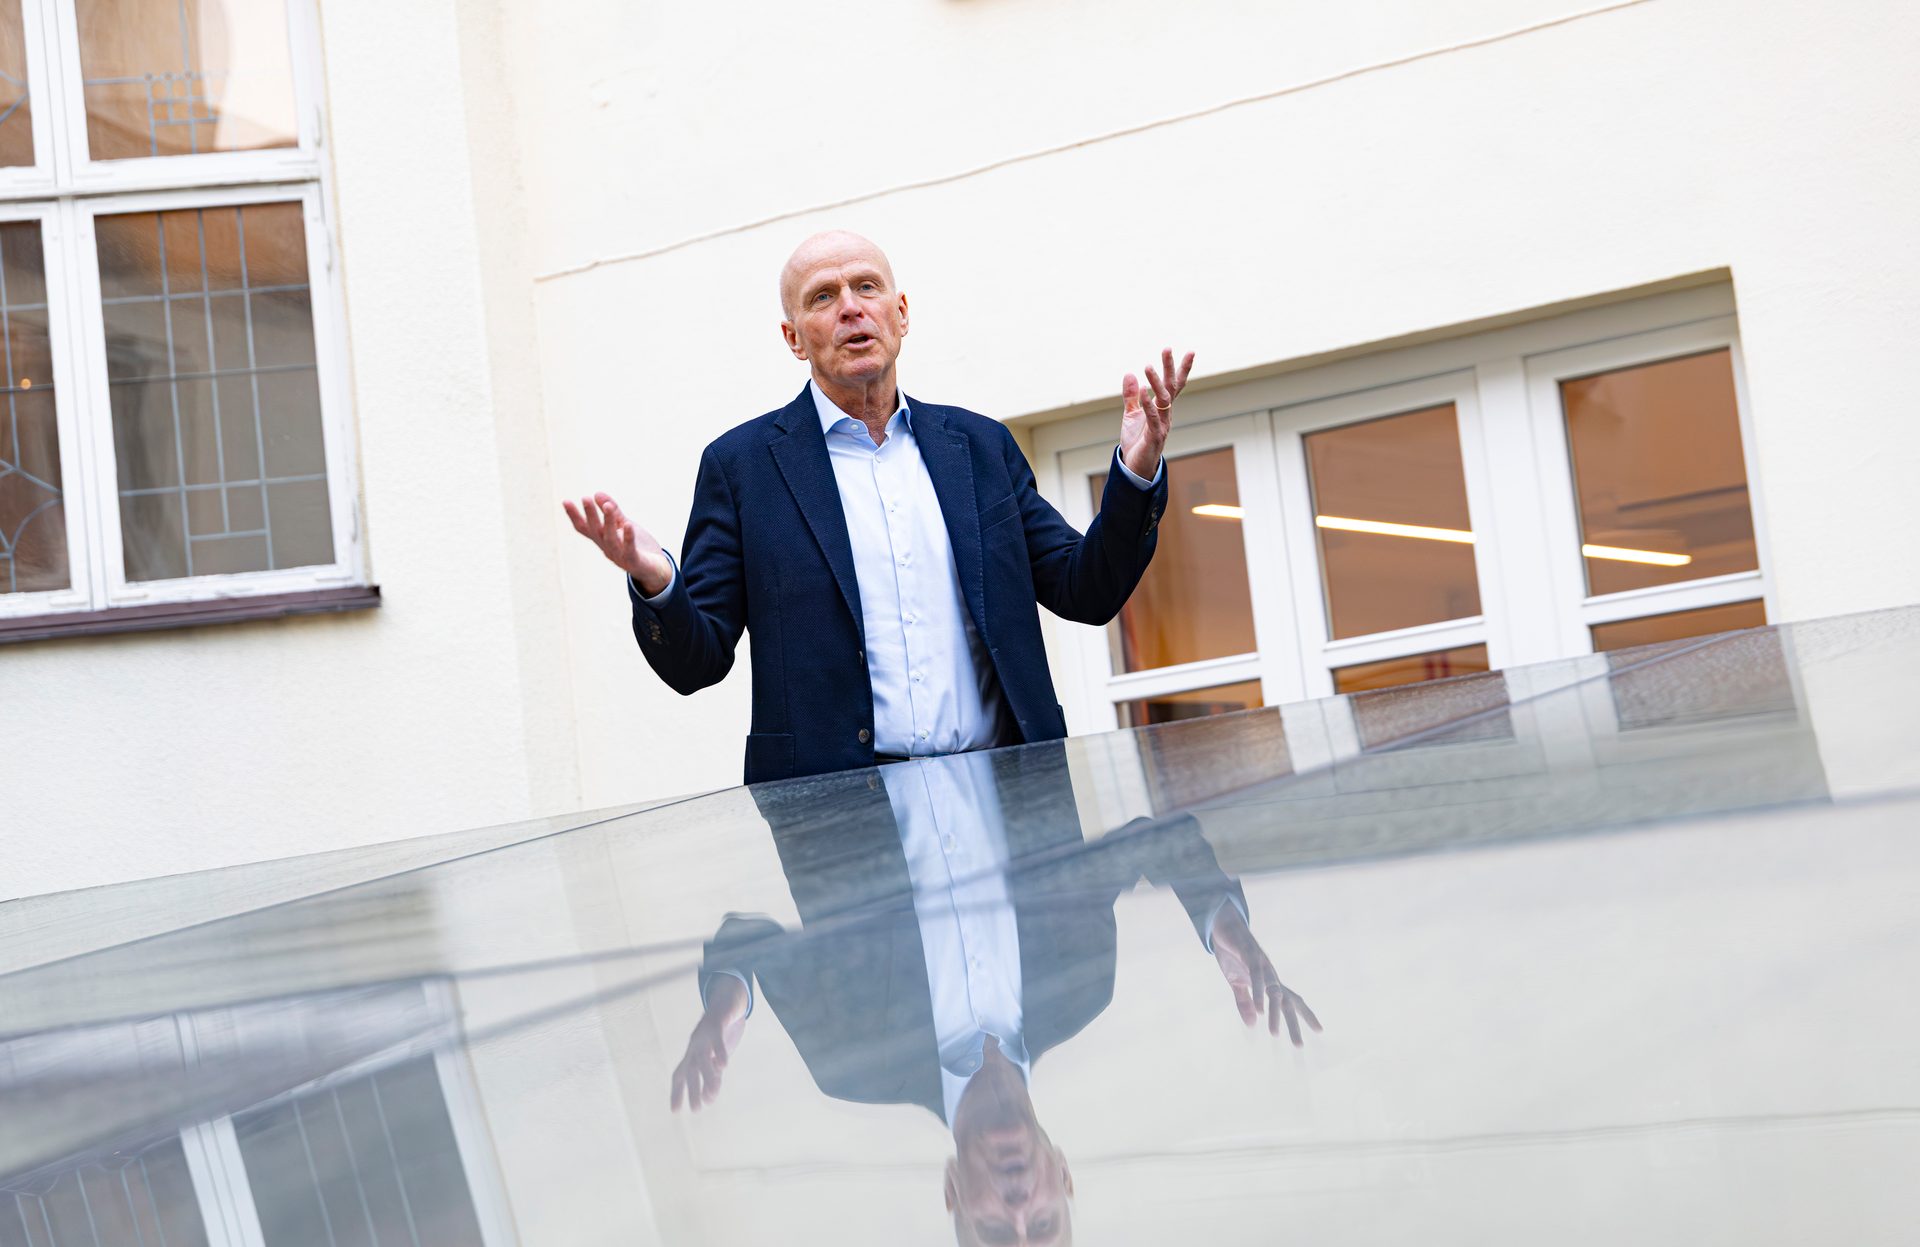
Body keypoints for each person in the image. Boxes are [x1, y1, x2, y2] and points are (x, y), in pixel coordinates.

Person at [564, 231, 1194, 783]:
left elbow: (1087, 590)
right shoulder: (743, 468)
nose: (850, 307)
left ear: (901, 313)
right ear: (793, 339)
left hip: (1011, 793)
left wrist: (1135, 472)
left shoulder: (979, 447)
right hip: (844, 818)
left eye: (866, 287)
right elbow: (696, 662)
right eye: (822, 297)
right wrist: (657, 581)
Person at [668, 744, 1319, 1244]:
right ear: (1064, 1175)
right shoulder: (1084, 984)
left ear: (952, 1191)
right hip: (979, 683)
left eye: (997, 1235)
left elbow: (747, 940)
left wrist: (723, 1008)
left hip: (836, 715)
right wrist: (1222, 922)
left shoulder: (853, 1061)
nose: (1018, 1208)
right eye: (1044, 1225)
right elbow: (1155, 840)